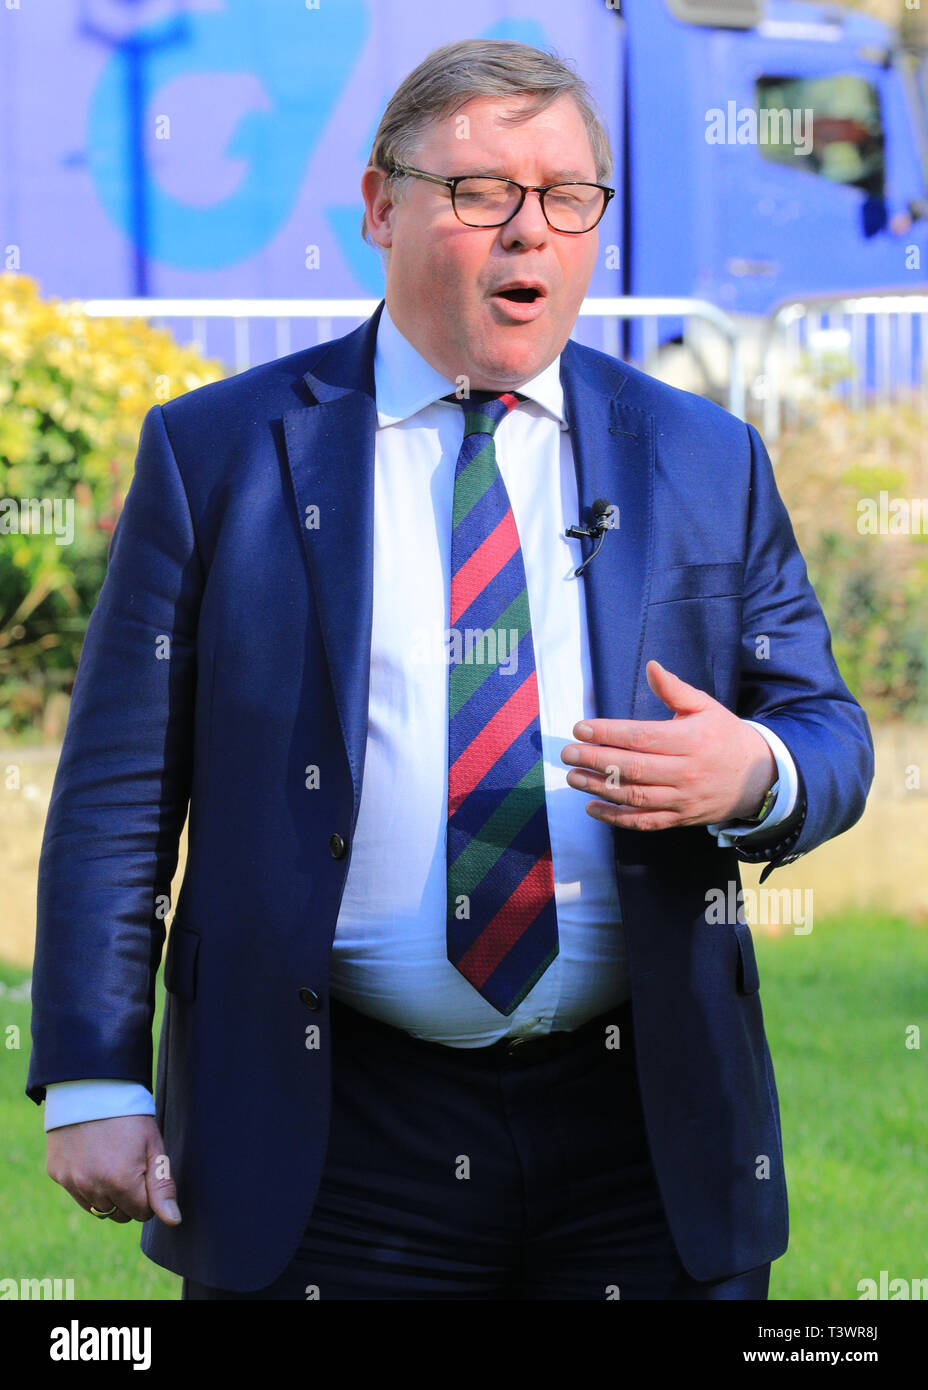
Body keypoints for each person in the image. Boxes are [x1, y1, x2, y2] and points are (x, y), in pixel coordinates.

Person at [28, 40, 873, 1300]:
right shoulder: (219, 455)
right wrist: (97, 1072)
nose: (529, 233)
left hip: (641, 1123)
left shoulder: (703, 456)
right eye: (482, 193)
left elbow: (824, 725)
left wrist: (756, 768)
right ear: (380, 204)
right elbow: (117, 791)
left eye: (566, 197)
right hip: (333, 1126)